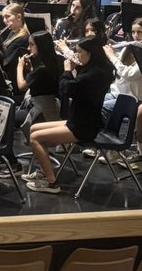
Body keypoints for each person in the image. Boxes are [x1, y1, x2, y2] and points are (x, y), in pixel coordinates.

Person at [23, 37, 115, 194]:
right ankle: (44, 170)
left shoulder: (94, 75)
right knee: (34, 128)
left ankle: (51, 182)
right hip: (77, 120)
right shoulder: (94, 69)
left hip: (83, 127)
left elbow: (66, 89)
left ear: (90, 53)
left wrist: (66, 71)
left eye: (79, 53)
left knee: (35, 138)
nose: (76, 56)